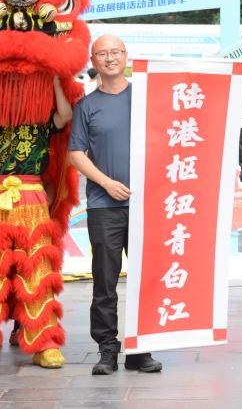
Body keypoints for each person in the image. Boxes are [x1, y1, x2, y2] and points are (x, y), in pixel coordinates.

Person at [69, 35, 162, 376]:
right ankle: (107, 350)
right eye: (102, 54)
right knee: (104, 281)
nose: (110, 58)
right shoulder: (86, 106)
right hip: (103, 206)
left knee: (146, 279)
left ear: (126, 56)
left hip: (145, 205)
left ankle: (141, 349)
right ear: (93, 61)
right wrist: (106, 182)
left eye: (115, 52)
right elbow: (75, 152)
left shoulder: (145, 97)